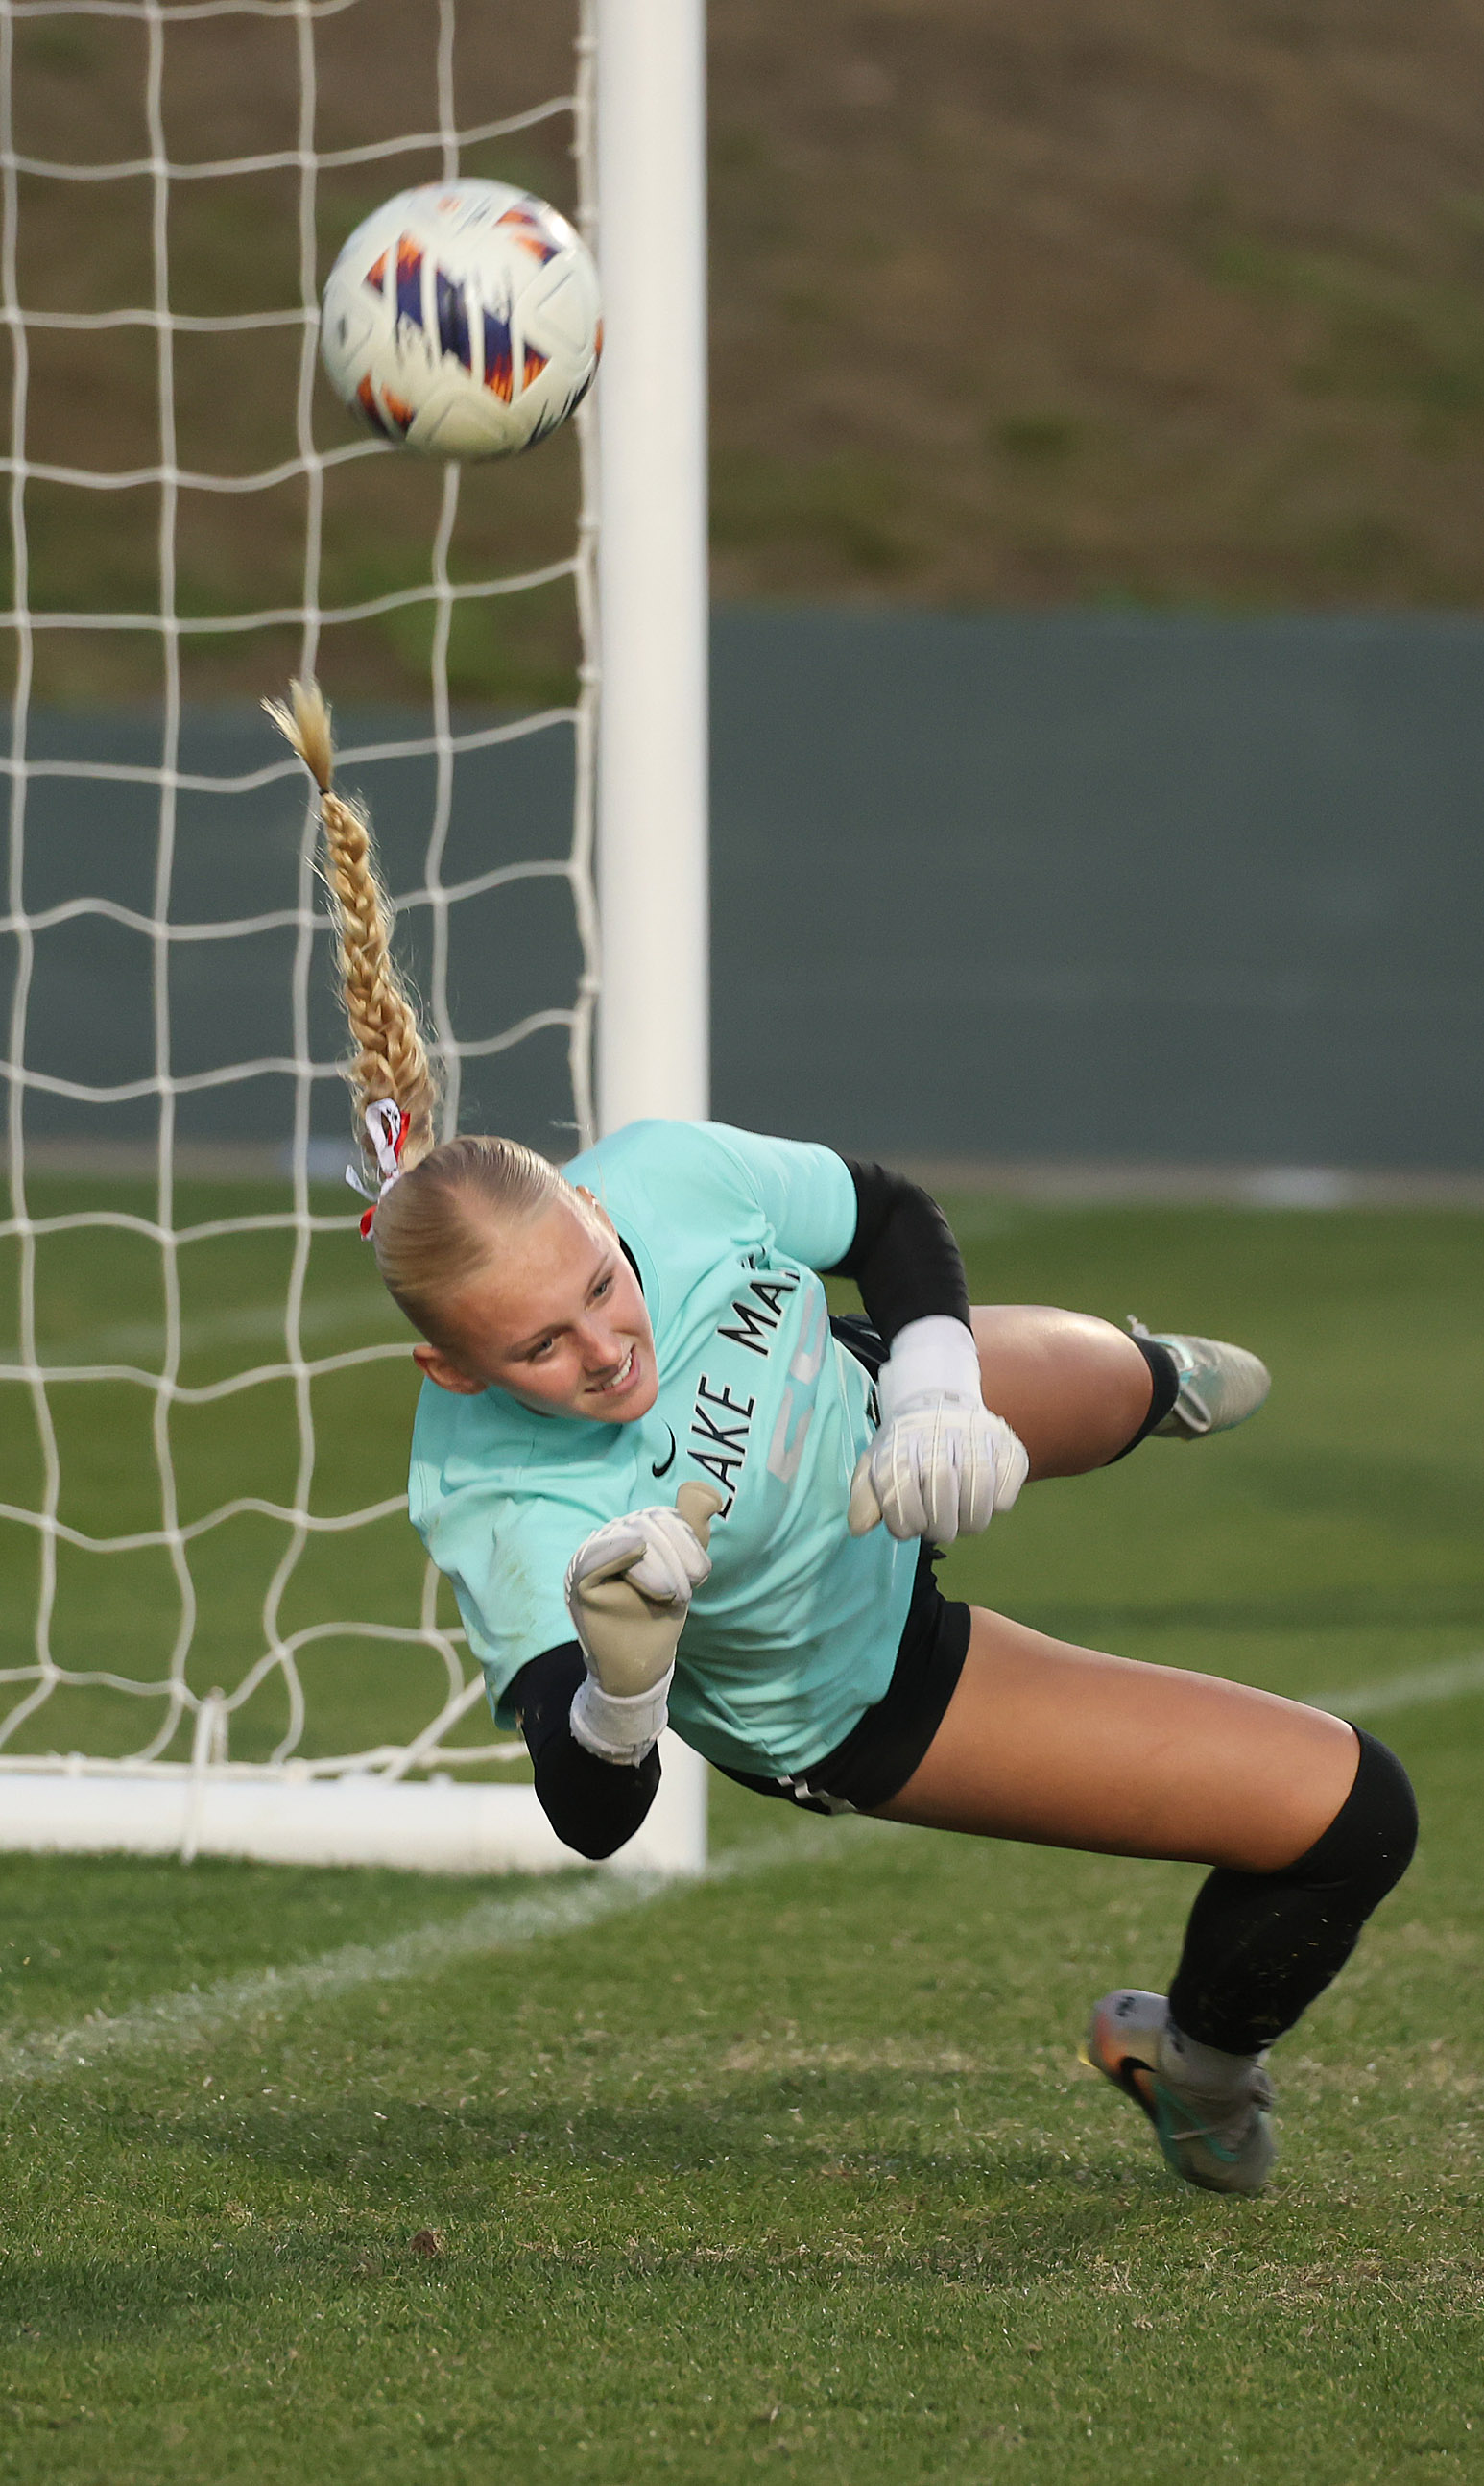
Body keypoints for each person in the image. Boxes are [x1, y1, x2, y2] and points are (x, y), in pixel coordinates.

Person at [269, 682, 1417, 2198]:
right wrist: (618, 1690)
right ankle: (1193, 2057)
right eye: (537, 1347)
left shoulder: (667, 1175)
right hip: (866, 1679)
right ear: (449, 1365)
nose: (606, 1347)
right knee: (1353, 1812)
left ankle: (1139, 1379)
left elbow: (884, 1214)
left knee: (1115, 1386)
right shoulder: (490, 1493)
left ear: (603, 1211)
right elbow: (591, 1812)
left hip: (874, 1407)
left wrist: (935, 1384)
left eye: (602, 1288)